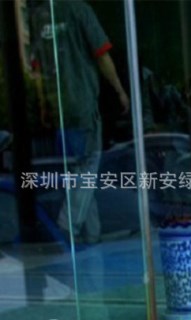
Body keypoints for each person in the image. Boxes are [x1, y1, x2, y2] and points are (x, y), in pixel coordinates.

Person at [29, 0, 129, 246]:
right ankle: (66, 227)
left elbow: (37, 69)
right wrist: (119, 90)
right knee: (87, 168)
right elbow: (102, 54)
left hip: (59, 109)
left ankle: (92, 235)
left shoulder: (40, 16)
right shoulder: (79, 10)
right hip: (82, 106)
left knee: (77, 171)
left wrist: (44, 104)